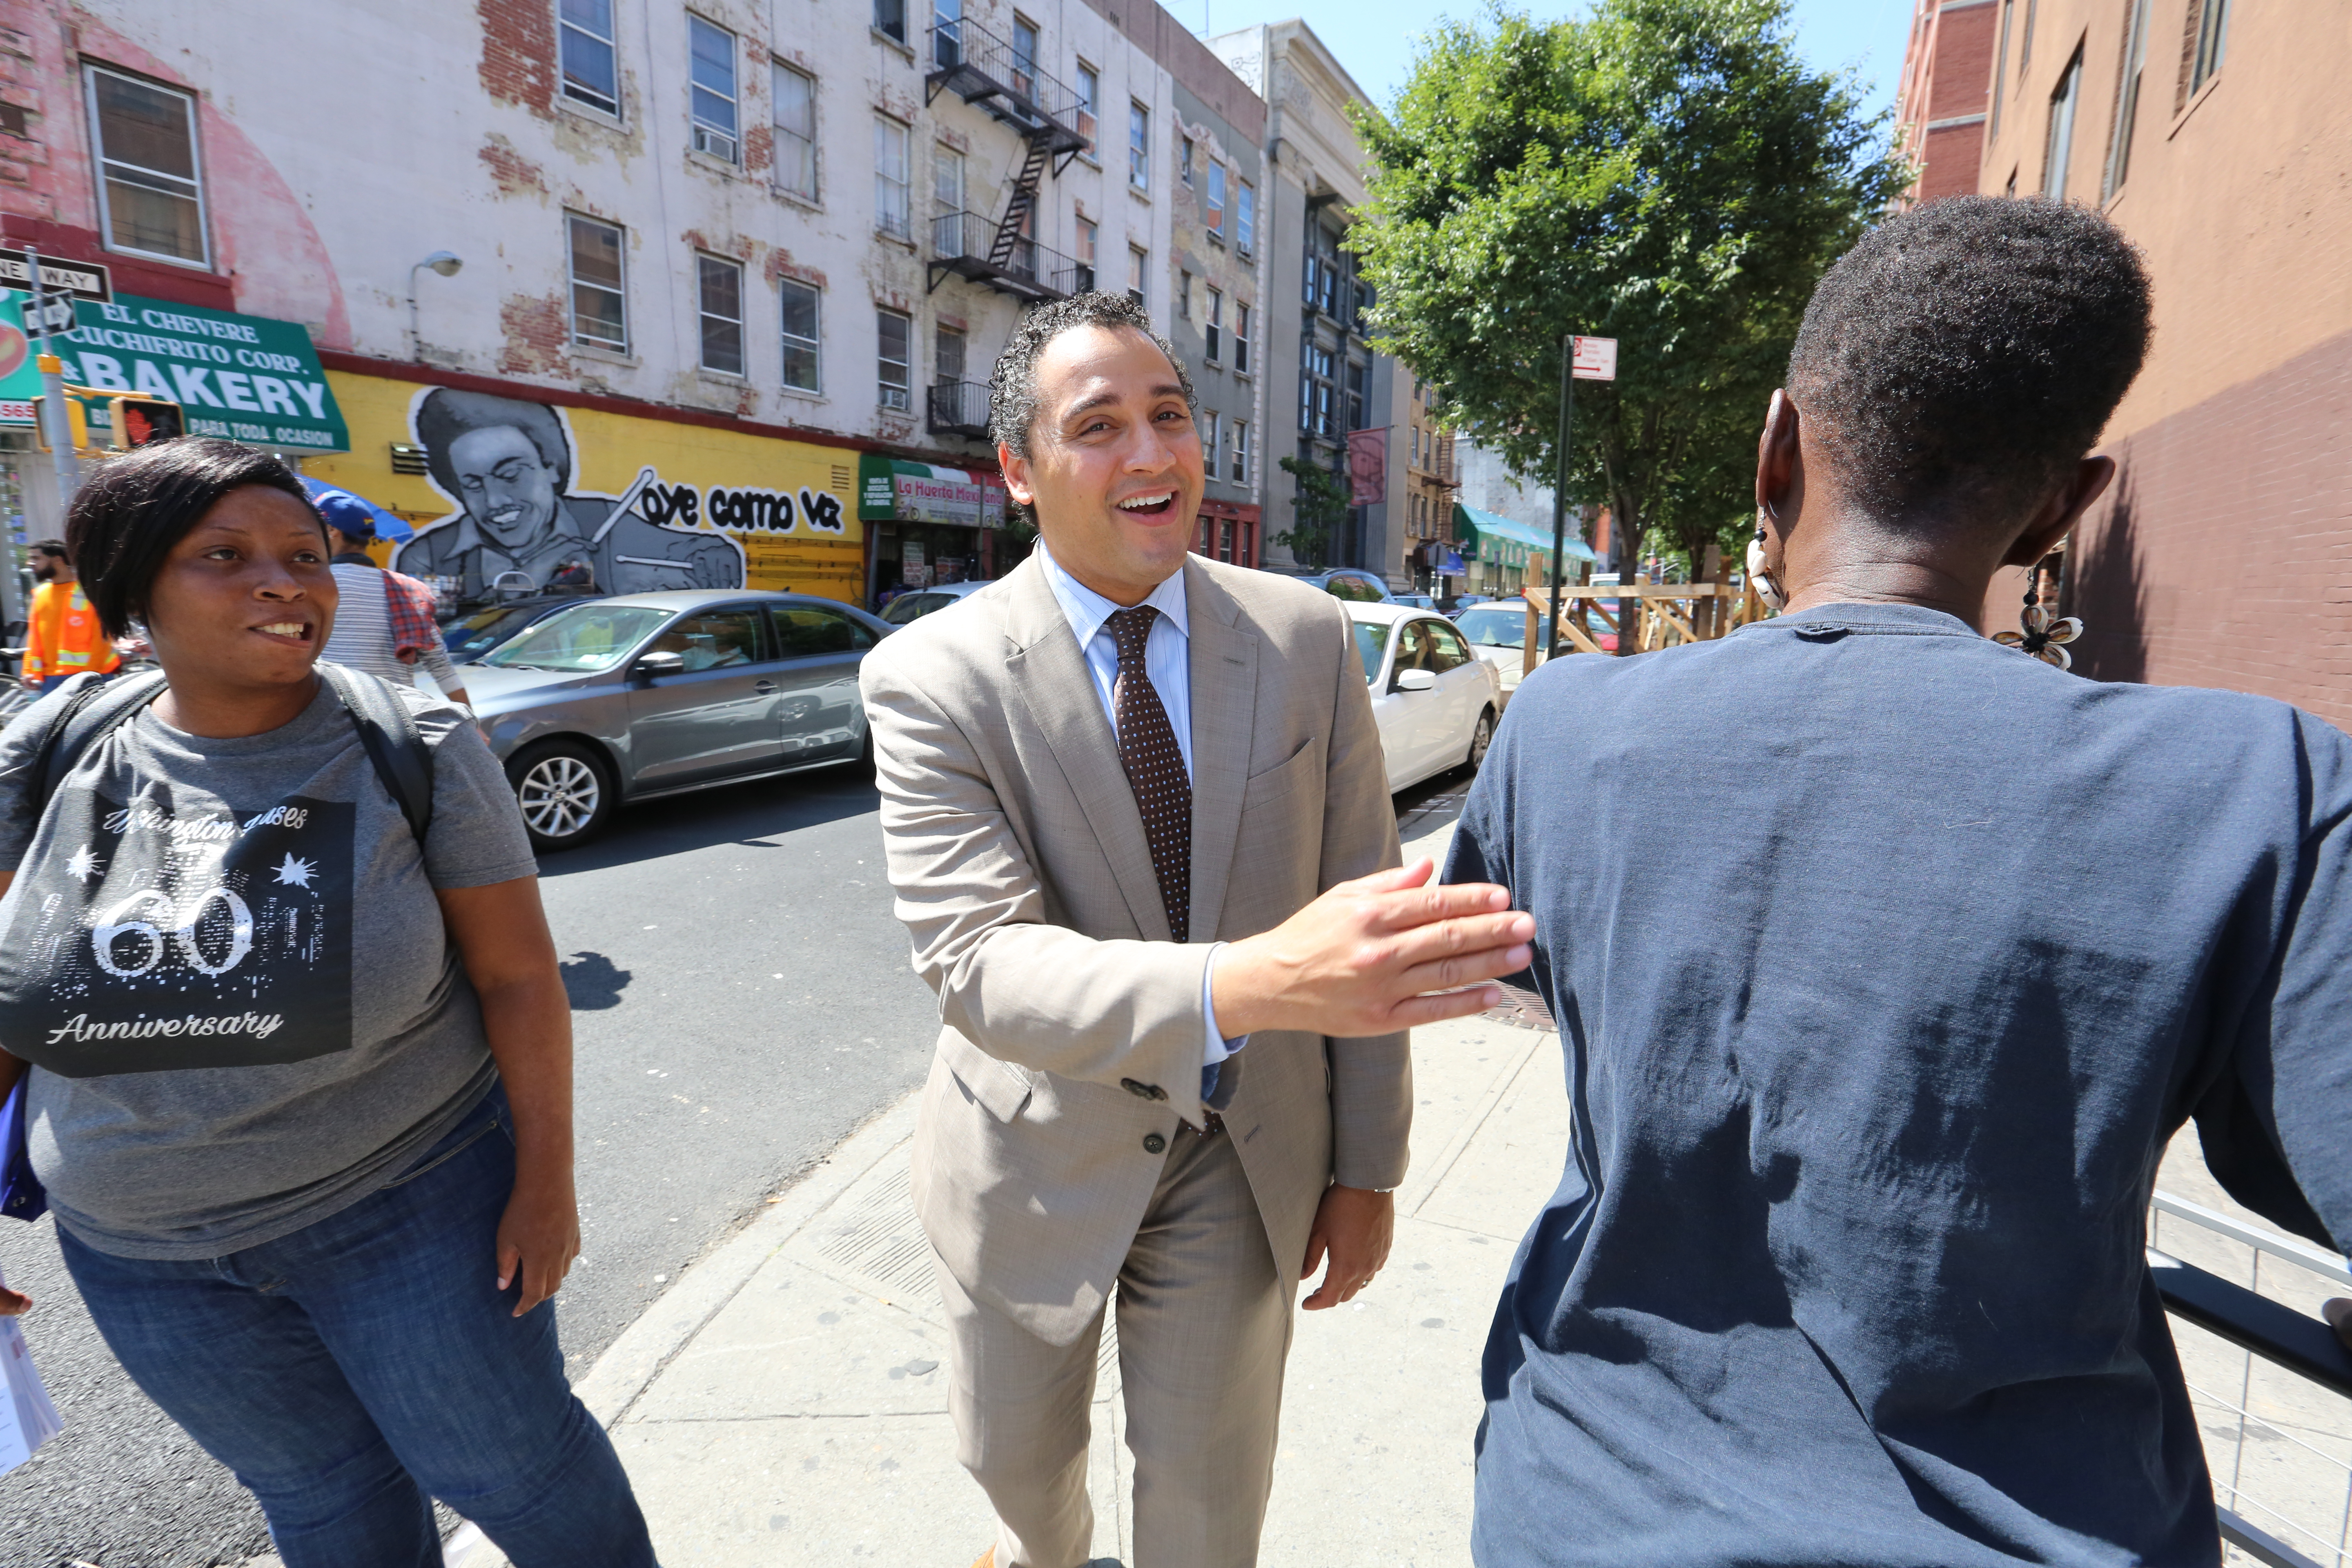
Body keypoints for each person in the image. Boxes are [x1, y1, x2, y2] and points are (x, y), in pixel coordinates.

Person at [1446, 196, 2352, 1566]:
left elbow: (1506, 971)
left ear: (1775, 450)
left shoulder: (1566, 731)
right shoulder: (2251, 791)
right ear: (2063, 506)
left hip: (1583, 1501)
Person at [858, 291, 1535, 1568]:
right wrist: (1255, 978)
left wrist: (1369, 1167)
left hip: (1242, 1153)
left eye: (1169, 415)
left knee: (1211, 1513)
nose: (1152, 454)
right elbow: (980, 963)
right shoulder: (932, 677)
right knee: (1017, 1471)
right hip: (1033, 1155)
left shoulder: (1304, 637)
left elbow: (1364, 914)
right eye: (1099, 425)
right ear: (1019, 470)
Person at [0, 439, 656, 1567]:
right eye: (225, 555)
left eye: (304, 556)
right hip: (143, 1261)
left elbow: (519, 977)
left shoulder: (413, 746)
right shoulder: (52, 751)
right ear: (134, 589)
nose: (284, 581)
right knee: (320, 1499)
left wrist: (546, 1183)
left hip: (406, 1217)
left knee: (514, 1472)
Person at [392, 388, 741, 598]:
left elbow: (692, 550)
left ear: (552, 467)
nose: (495, 501)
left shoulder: (602, 520)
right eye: (473, 484)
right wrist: (537, 576)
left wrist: (716, 554)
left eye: (511, 475)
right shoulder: (431, 558)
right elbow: (435, 639)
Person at [314, 490, 472, 709]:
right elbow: (440, 664)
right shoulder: (408, 590)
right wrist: (471, 721)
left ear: (331, 531)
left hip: (334, 718)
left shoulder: (315, 586)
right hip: (399, 719)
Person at [20, 538, 120, 691]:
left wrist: (91, 676)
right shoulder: (40, 594)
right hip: (50, 681)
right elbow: (35, 638)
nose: (30, 563)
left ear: (58, 560)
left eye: (36, 558)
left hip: (89, 679)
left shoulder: (88, 592)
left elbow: (103, 639)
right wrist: (30, 671)